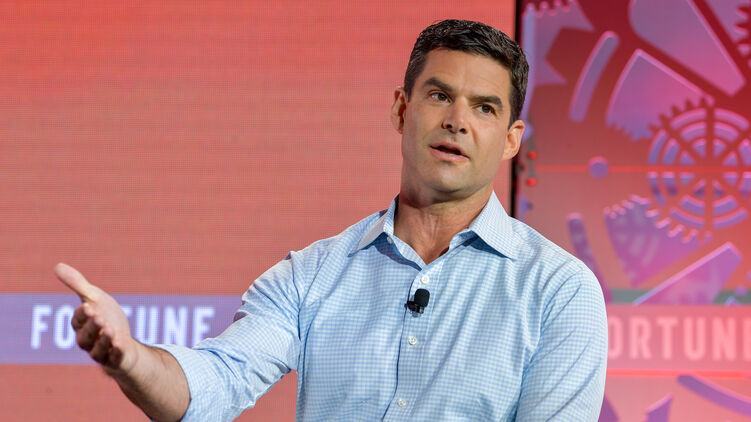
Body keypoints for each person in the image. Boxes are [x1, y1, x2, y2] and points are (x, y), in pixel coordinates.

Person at [56, 19, 607, 421]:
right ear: (401, 110)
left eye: (484, 107)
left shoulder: (558, 290)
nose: (457, 121)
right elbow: (216, 383)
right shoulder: (313, 274)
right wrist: (132, 358)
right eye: (440, 95)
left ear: (511, 140)